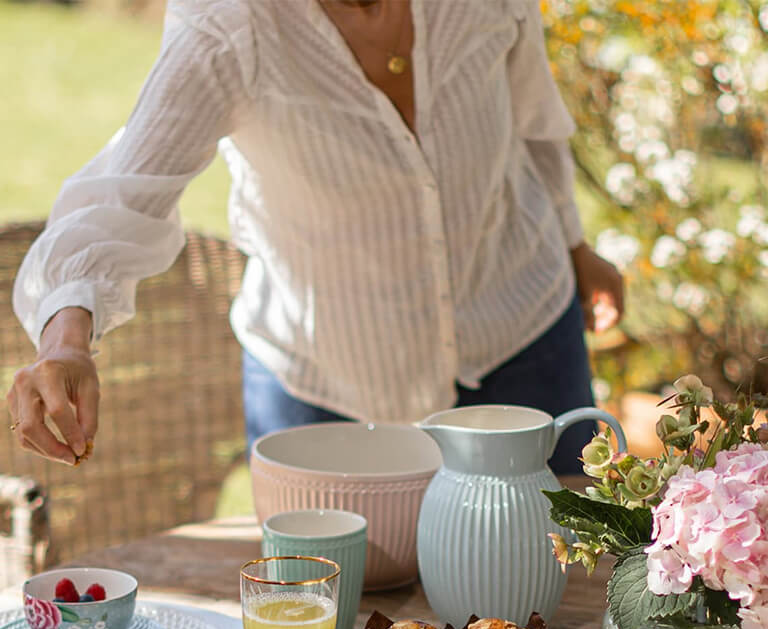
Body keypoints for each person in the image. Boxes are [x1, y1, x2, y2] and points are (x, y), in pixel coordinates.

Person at [8, 0, 623, 476]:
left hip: (524, 336)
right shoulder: (229, 25)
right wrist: (66, 343)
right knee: (339, 622)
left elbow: (534, 119)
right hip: (328, 385)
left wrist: (574, 244)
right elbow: (121, 194)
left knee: (564, 588)